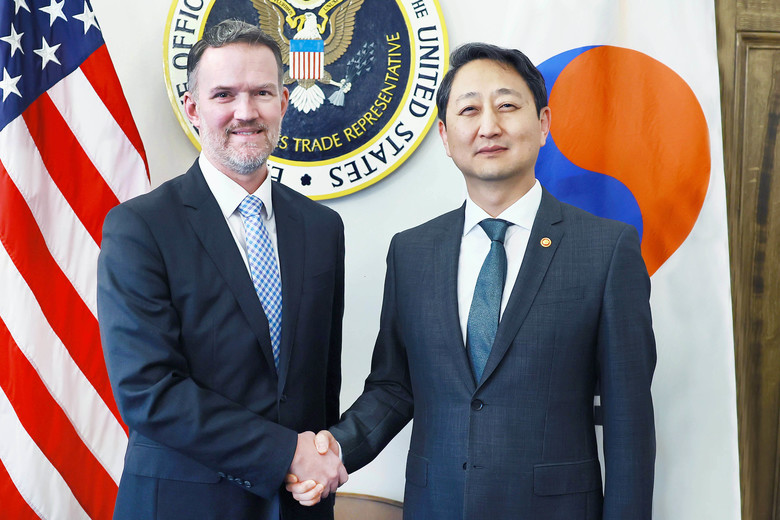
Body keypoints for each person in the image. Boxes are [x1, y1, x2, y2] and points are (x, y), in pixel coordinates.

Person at [288, 42, 656, 519]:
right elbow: (394, 387)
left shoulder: (606, 250)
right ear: (445, 135)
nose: (489, 126)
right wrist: (334, 450)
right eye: (468, 110)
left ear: (544, 123)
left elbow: (629, 419)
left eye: (507, 106)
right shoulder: (412, 252)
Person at [97, 19, 346, 520]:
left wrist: (319, 460)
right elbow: (149, 392)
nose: (245, 112)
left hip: (300, 504)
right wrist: (286, 453)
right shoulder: (139, 228)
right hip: (183, 505)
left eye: (262, 93)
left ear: (284, 103)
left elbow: (322, 386)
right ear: (193, 108)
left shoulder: (323, 228)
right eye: (224, 94)